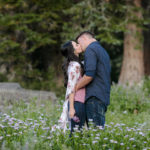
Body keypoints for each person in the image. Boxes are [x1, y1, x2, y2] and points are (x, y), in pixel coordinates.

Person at [75, 31, 111, 128]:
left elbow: (89, 75)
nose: (80, 46)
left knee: (95, 132)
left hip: (94, 96)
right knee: (98, 130)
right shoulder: (102, 50)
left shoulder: (90, 49)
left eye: (79, 43)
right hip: (103, 96)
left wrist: (75, 87)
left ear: (85, 39)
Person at [59, 40, 86, 134]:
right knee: (76, 133)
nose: (79, 45)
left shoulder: (77, 64)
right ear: (72, 50)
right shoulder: (75, 65)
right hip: (77, 102)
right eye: (76, 45)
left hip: (79, 101)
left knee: (77, 131)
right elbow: (71, 88)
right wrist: (71, 108)